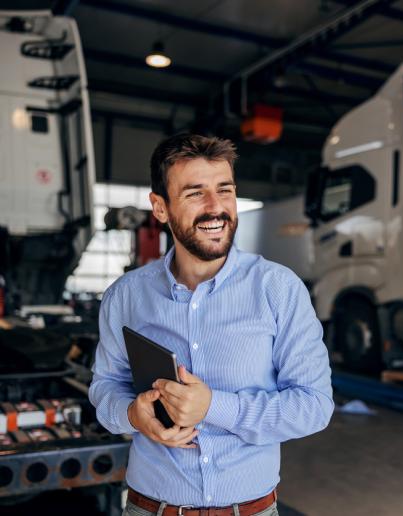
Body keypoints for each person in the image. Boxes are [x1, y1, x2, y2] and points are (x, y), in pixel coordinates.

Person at [89, 134, 334, 516]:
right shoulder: (126, 296)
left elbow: (314, 406)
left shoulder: (278, 289)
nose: (216, 207)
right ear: (160, 208)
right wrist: (132, 414)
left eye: (225, 190)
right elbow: (105, 387)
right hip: (150, 508)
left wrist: (214, 407)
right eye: (194, 193)